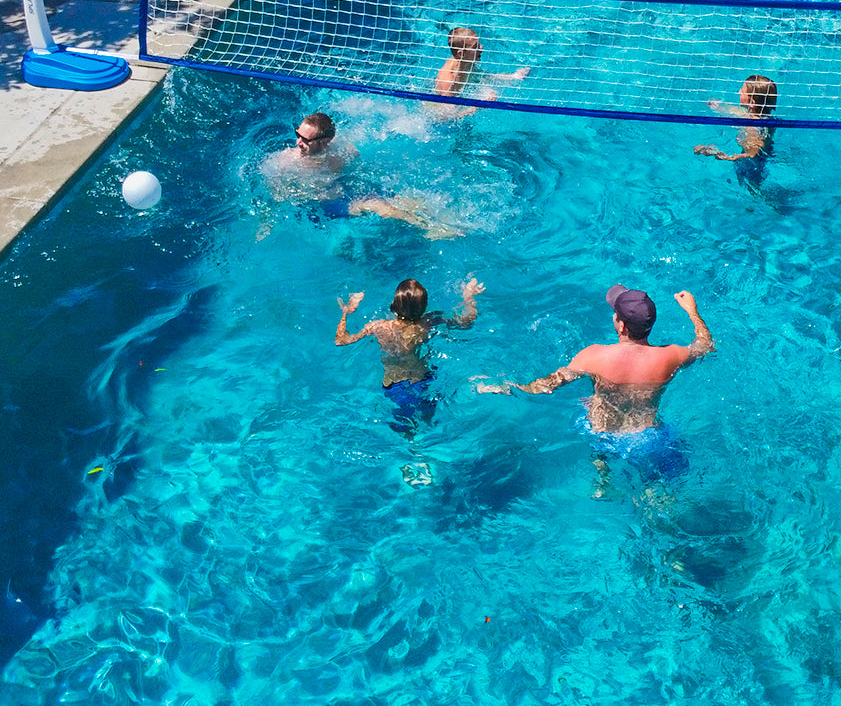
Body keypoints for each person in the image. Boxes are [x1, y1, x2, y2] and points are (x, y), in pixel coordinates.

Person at [478, 285, 714, 482]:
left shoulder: (593, 356)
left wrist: (507, 386)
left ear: (621, 325)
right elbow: (705, 345)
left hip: (603, 435)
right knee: (656, 484)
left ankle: (603, 478)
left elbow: (547, 386)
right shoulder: (671, 356)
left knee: (594, 427)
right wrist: (691, 311)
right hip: (648, 437)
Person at [261, 112, 461, 239]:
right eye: (297, 135)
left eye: (305, 139)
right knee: (376, 205)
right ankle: (429, 228)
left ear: (325, 142)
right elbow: (274, 190)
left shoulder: (340, 150)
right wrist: (267, 221)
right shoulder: (287, 161)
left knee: (401, 199)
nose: (298, 142)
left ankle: (452, 220)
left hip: (346, 186)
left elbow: (356, 160)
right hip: (327, 202)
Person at [336, 277, 485, 435]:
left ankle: (417, 452)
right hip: (423, 380)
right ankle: (476, 387)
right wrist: (468, 297)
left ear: (394, 305)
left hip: (395, 386)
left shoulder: (378, 326)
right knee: (430, 422)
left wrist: (346, 312)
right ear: (424, 306)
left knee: (407, 430)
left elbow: (341, 341)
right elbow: (466, 322)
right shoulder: (428, 322)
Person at [694, 74, 778, 188]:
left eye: (742, 92)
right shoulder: (764, 117)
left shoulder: (752, 128)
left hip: (751, 171)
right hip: (763, 160)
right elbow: (737, 112)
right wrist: (718, 107)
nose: (739, 92)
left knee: (753, 195)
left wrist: (719, 153)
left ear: (752, 103)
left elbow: (753, 153)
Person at [430, 27, 529, 118]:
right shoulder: (448, 81)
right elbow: (448, 118)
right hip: (436, 112)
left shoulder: (468, 60)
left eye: (478, 43)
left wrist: (512, 76)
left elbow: (479, 75)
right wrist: (480, 105)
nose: (481, 47)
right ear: (461, 54)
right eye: (475, 46)